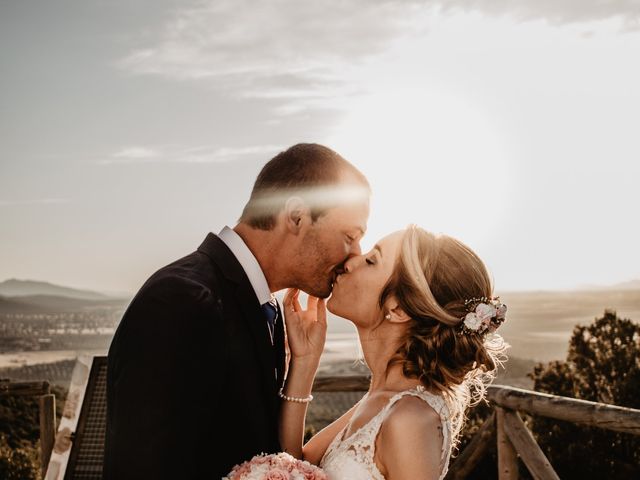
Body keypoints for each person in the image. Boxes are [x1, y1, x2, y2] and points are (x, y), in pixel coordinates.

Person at [104, 143, 370, 480]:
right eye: (350, 236)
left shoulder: (264, 308)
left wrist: (301, 368)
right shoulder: (182, 301)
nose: (356, 254)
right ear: (296, 216)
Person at [279, 225, 508, 480]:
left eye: (371, 261)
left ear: (398, 309)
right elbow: (292, 466)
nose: (351, 261)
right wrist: (305, 360)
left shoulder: (409, 419)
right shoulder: (383, 398)